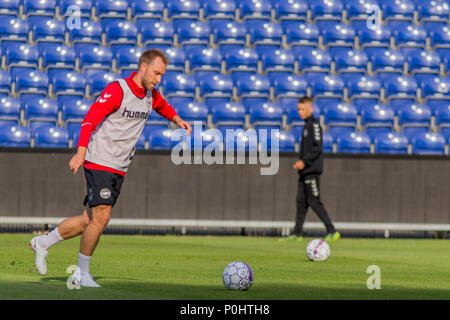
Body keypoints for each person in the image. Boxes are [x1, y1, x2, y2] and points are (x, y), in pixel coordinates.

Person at [29, 49, 192, 287]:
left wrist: (178, 120)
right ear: (143, 67)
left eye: (162, 75)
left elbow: (162, 106)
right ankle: (82, 274)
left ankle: (42, 243)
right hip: (100, 160)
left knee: (89, 219)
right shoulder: (117, 90)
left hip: (119, 166)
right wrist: (81, 152)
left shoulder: (150, 95)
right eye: (157, 73)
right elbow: (90, 119)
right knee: (103, 216)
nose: (159, 79)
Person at [280, 97, 340, 242]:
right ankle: (297, 233)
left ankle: (332, 231)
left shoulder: (313, 125)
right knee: (301, 201)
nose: (299, 112)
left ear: (310, 108)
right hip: (305, 171)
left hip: (311, 170)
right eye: (298, 109)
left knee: (314, 201)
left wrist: (304, 162)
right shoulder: (306, 125)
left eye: (302, 109)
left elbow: (317, 148)